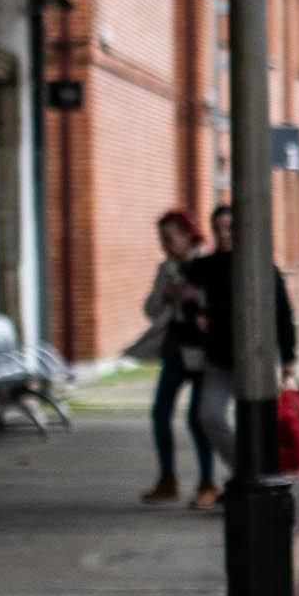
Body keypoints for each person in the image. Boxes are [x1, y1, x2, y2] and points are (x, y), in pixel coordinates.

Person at [175, 203, 297, 496]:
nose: (223, 234)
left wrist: (289, 356)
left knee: (254, 422)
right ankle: (245, 471)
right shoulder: (203, 268)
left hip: (255, 359)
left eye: (229, 228)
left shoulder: (262, 268)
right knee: (209, 415)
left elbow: (282, 313)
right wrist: (195, 314)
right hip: (218, 356)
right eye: (217, 229)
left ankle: (253, 478)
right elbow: (186, 304)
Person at [135, 208, 213, 505]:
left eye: (170, 238)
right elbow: (150, 309)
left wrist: (197, 298)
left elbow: (219, 300)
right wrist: (165, 296)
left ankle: (207, 482)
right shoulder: (166, 269)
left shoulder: (207, 264)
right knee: (160, 412)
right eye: (162, 239)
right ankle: (167, 478)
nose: (166, 244)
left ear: (187, 234)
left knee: (198, 417)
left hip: (203, 348)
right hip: (175, 346)